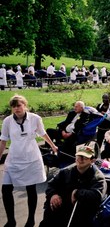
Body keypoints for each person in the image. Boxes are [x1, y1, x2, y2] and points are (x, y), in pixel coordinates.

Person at [0, 95, 58, 227]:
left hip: (31, 158)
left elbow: (43, 133)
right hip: (14, 159)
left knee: (31, 189)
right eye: (13, 106)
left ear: (24, 105)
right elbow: (3, 140)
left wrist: (53, 146)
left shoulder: (35, 118)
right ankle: (11, 220)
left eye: (19, 105)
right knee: (6, 189)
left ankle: (31, 219)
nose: (16, 108)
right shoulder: (8, 121)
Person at [39, 144, 106, 227]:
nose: (80, 159)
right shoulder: (65, 171)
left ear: (92, 160)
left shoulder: (97, 177)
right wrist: (53, 194)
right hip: (62, 207)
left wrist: (77, 192)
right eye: (79, 156)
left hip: (81, 211)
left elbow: (97, 195)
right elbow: (51, 184)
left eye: (85, 157)